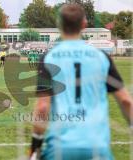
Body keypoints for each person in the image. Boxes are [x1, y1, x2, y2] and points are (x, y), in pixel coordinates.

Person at [30, 4, 133, 160]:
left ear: (59, 24)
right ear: (84, 24)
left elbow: (43, 107)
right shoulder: (101, 57)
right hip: (97, 147)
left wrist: (35, 146)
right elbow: (126, 101)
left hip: (59, 149)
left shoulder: (49, 57)